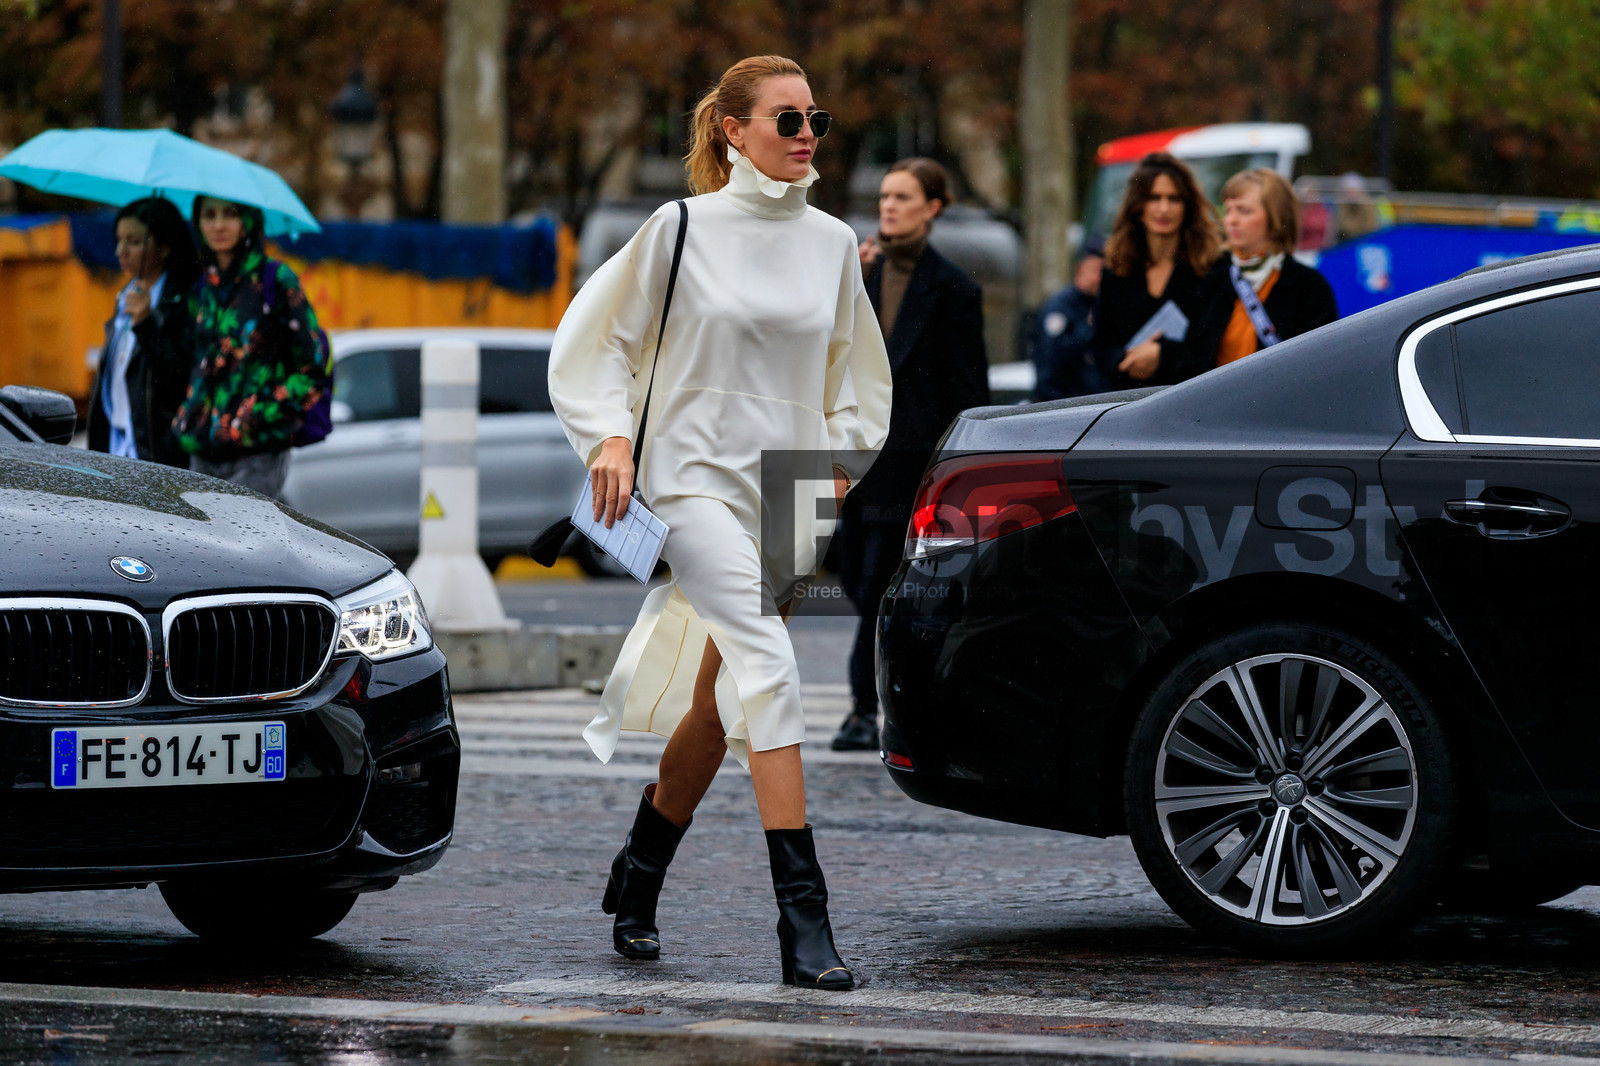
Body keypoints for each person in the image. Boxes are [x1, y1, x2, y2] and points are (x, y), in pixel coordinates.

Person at [547, 55, 891, 990]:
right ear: (734, 131)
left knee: (720, 699)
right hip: (690, 480)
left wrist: (841, 462)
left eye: (815, 116)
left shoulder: (830, 243)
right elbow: (595, 339)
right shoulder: (680, 226)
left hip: (791, 490)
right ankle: (805, 924)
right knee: (773, 669)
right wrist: (609, 441)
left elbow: (859, 374)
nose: (807, 133)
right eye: (786, 119)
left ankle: (640, 870)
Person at [829, 157, 987, 752]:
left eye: (902, 197)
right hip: (854, 463)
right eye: (885, 196)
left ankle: (866, 709)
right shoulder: (856, 277)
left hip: (916, 467)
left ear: (933, 207)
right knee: (854, 579)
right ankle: (886, 705)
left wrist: (958, 472)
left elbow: (968, 391)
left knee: (881, 590)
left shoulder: (954, 289)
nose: (888, 206)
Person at [171, 196, 327, 500]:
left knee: (244, 543)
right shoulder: (201, 289)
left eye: (229, 214)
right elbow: (193, 366)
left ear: (248, 220)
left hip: (258, 452)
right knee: (202, 547)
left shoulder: (276, 280)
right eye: (209, 215)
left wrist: (255, 414)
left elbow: (312, 370)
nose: (218, 225)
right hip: (202, 450)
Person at [1091, 152, 1220, 390]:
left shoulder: (1209, 269)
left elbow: (1210, 349)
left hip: (1188, 400)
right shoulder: (1117, 268)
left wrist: (1163, 355)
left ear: (1187, 206)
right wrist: (1127, 360)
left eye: (1174, 199)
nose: (1164, 208)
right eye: (1154, 197)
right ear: (1138, 205)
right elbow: (1100, 344)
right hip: (1127, 401)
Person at [87, 197, 199, 466]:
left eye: (134, 242)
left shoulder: (184, 303)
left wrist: (148, 324)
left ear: (165, 247)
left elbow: (180, 382)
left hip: (157, 458)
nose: (120, 252)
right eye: (119, 240)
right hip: (116, 450)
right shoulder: (124, 298)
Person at [1198, 168, 1338, 366]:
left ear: (1277, 217)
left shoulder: (1309, 286)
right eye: (1228, 210)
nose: (1231, 220)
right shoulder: (1211, 277)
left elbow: (1323, 363)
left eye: (1243, 210)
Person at [1032, 235, 1105, 400]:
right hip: (1062, 404)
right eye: (1096, 270)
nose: (1100, 278)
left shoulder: (1099, 302)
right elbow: (1053, 359)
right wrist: (1088, 329)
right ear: (1080, 269)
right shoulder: (1060, 307)